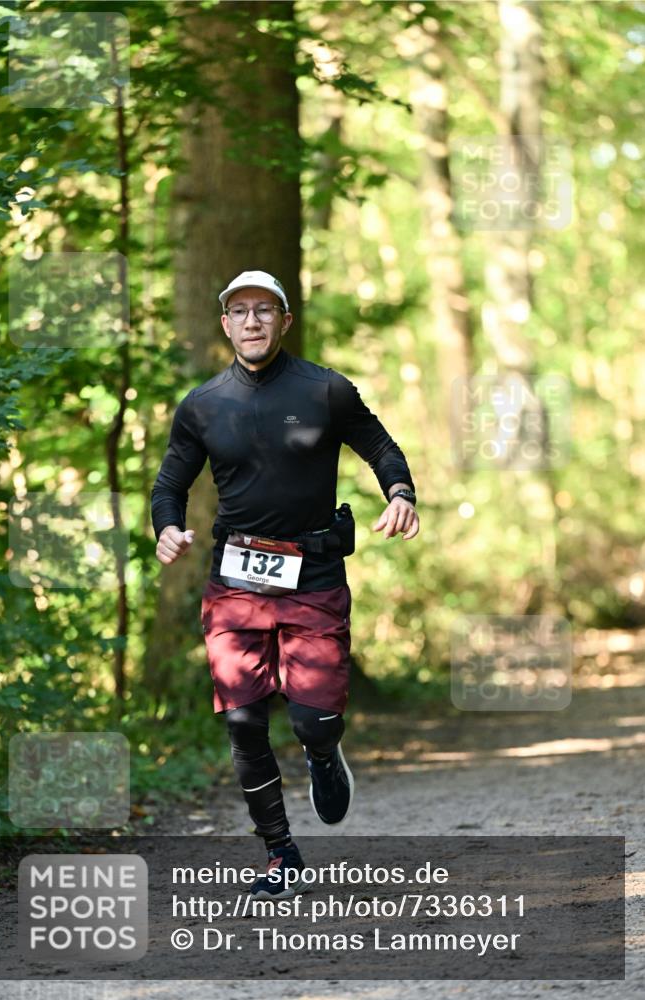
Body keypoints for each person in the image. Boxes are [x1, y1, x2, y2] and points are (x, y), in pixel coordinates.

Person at [151, 270, 418, 900]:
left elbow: (382, 448)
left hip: (314, 572)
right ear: (224, 324)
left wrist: (400, 493)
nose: (251, 321)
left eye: (264, 311)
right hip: (235, 578)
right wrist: (167, 529)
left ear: (284, 321)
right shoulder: (203, 404)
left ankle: (324, 753)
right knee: (243, 719)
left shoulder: (325, 389)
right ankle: (280, 851)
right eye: (239, 311)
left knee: (313, 720)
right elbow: (170, 486)